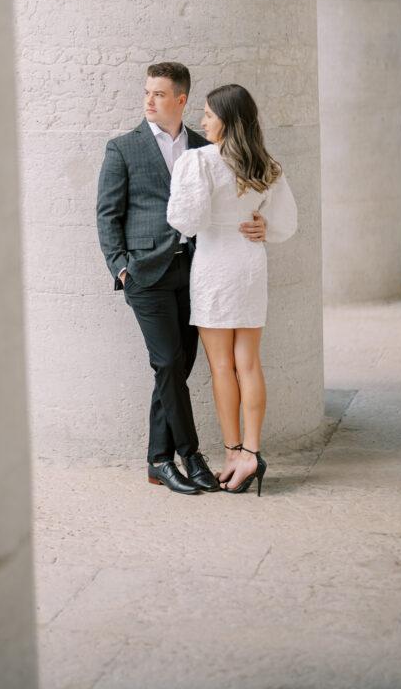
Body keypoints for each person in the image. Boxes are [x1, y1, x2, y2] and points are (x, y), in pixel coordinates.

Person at [96, 63, 267, 494]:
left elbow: (239, 194)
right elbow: (107, 214)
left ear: (181, 99)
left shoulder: (203, 143)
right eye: (146, 92)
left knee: (176, 368)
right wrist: (121, 266)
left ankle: (158, 461)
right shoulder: (123, 148)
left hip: (196, 272)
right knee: (169, 363)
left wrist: (262, 224)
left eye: (158, 93)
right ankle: (186, 453)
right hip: (146, 275)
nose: (149, 100)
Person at [167, 83, 297, 495]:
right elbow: (285, 224)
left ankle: (233, 452)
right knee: (249, 364)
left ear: (226, 118)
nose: (202, 121)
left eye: (208, 114)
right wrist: (262, 225)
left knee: (222, 367)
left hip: (214, 266)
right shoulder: (266, 164)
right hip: (250, 264)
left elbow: (185, 221)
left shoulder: (199, 161)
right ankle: (253, 454)